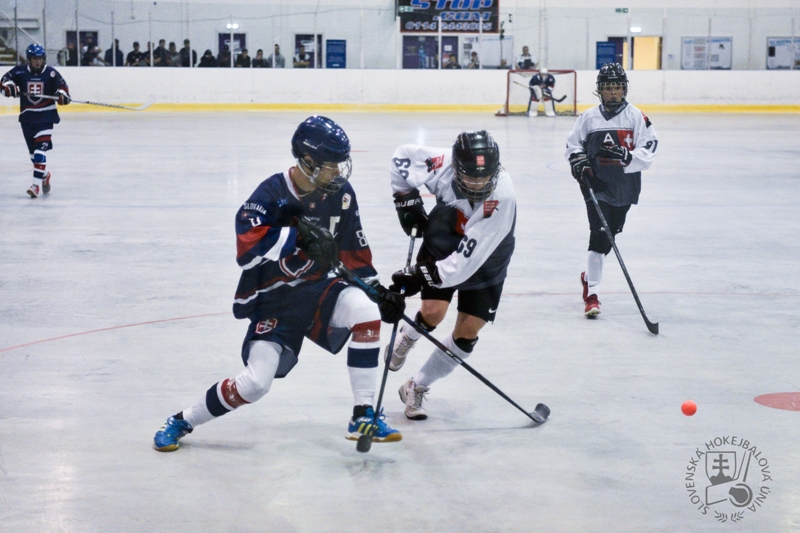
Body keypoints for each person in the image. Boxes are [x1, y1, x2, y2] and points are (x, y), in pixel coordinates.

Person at [152, 116, 407, 452]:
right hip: (275, 300)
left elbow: (352, 250)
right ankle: (182, 420)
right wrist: (296, 236)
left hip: (319, 290)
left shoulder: (342, 194)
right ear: (308, 161)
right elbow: (246, 250)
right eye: (331, 165)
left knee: (366, 313)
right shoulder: (271, 193)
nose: (338, 173)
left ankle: (363, 414)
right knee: (256, 384)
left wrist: (378, 291)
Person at [385, 130, 516, 420]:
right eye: (470, 177)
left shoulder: (502, 197)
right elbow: (401, 158)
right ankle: (409, 336)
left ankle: (417, 385)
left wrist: (419, 276)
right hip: (445, 235)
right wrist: (405, 200)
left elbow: (466, 262)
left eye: (485, 177)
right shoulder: (440, 163)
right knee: (432, 313)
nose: (478, 184)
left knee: (468, 333)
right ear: (456, 169)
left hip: (488, 257)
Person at [565, 63, 658, 317]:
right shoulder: (588, 117)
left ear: (624, 89)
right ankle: (593, 295)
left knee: (610, 234)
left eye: (617, 87)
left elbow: (650, 147)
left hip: (624, 187)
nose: (613, 92)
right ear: (600, 90)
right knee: (598, 234)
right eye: (608, 88)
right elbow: (573, 144)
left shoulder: (636, 117)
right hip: (595, 185)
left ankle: (588, 276)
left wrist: (628, 156)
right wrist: (579, 160)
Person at [1, 44, 70, 198]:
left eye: (40, 59)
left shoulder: (51, 73)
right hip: (27, 119)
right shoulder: (19, 71)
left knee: (39, 153)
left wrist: (62, 96)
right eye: (34, 59)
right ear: (29, 59)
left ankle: (35, 186)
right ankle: (45, 175)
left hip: (46, 117)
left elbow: (63, 88)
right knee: (34, 157)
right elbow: (3, 81)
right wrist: (9, 88)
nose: (38, 62)